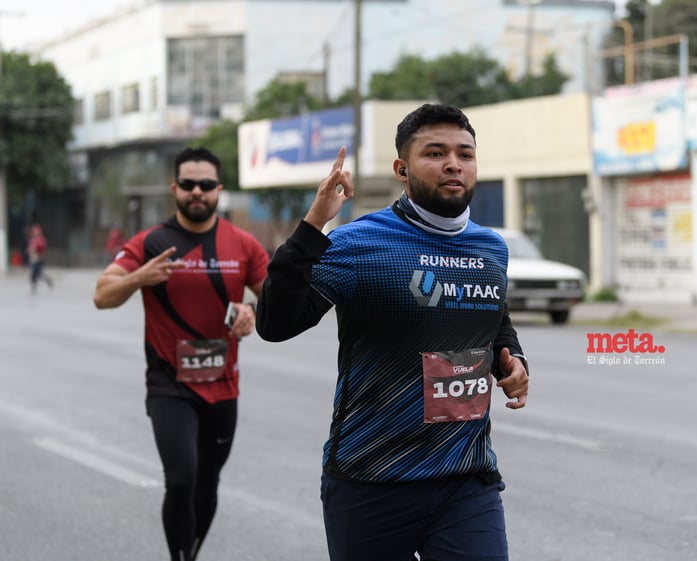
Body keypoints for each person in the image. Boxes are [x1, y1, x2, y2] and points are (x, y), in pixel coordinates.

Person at [256, 103, 529, 561]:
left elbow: (490, 314)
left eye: (465, 154)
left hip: (465, 478)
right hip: (372, 479)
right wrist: (312, 226)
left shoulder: (491, 248)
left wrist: (513, 357)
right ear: (401, 169)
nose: (452, 164)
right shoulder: (359, 243)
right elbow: (275, 324)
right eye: (435, 153)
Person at [93, 146, 269, 561]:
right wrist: (140, 276)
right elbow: (102, 295)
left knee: (208, 481)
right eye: (188, 184)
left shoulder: (242, 244)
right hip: (169, 385)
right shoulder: (151, 241)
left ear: (218, 190)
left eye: (205, 185)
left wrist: (251, 310)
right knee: (181, 480)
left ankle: (189, 554)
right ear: (174, 187)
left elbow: (278, 303)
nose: (196, 192)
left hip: (223, 385)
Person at [27, 223, 54, 293]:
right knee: (33, 273)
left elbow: (41, 248)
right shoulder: (32, 239)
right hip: (33, 258)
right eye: (34, 231)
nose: (35, 232)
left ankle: (47, 280)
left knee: (37, 273)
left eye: (36, 231)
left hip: (39, 258)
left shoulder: (41, 239)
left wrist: (35, 248)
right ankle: (34, 286)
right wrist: (30, 250)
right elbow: (30, 248)